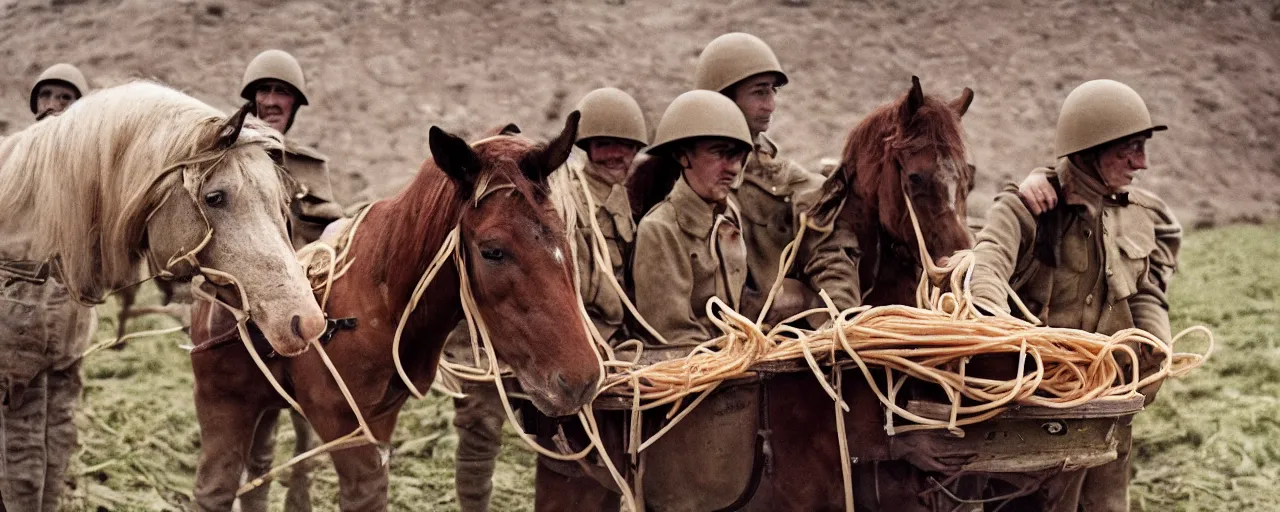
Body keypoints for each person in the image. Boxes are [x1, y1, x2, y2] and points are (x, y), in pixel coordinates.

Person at [970, 79, 1180, 511]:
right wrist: (999, 332)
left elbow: (1145, 289)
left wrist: (1156, 348)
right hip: (1035, 414)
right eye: (1130, 149)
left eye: (1143, 147)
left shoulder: (1141, 214)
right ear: (1090, 149)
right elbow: (985, 269)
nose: (1142, 163)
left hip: (1110, 410)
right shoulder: (1025, 207)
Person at [448, 88, 649, 511]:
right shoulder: (559, 199)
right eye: (605, 144)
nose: (617, 154)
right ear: (587, 149)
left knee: (575, 437)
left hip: (570, 333)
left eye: (626, 145)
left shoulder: (625, 204)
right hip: (509, 329)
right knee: (480, 427)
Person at [229, 49, 346, 512]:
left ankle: (299, 502)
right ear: (252, 99)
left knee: (309, 436)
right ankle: (251, 503)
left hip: (302, 318)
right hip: (245, 317)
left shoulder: (310, 167)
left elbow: (330, 229)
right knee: (252, 437)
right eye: (265, 90)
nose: (273, 100)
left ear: (295, 105)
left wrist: (339, 227)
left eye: (283, 92)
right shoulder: (229, 156)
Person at [0, 62, 96, 512]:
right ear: (35, 103)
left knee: (59, 427)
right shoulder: (10, 155)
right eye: (47, 97)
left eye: (66, 98)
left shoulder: (91, 174)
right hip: (16, 322)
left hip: (70, 323)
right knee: (19, 436)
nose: (54, 107)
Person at [694, 33, 830, 320]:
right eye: (759, 92)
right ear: (724, 98)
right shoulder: (690, 173)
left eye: (772, 92)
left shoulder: (776, 171)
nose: (770, 105)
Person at [633, 90, 753, 344]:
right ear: (683, 155)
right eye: (720, 153)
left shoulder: (729, 213)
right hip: (691, 368)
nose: (732, 168)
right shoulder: (660, 228)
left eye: (738, 157)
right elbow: (672, 334)